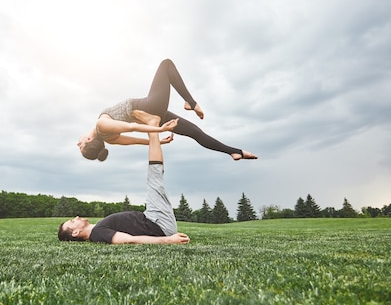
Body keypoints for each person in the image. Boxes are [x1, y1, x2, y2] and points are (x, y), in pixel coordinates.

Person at [77, 58, 258, 162]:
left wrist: (161, 142)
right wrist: (160, 129)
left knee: (193, 131)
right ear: (89, 139)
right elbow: (133, 129)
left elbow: (138, 141)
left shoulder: (111, 140)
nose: (78, 143)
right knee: (166, 65)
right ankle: (191, 102)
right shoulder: (102, 125)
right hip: (149, 108)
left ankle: (234, 152)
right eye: (81, 145)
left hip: (152, 116)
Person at [59, 113, 190, 244]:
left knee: (156, 176)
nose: (75, 217)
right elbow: (130, 240)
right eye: (72, 221)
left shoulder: (98, 229)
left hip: (155, 220)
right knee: (154, 176)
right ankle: (152, 126)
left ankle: (153, 129)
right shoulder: (98, 233)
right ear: (75, 233)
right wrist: (169, 240)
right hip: (156, 222)